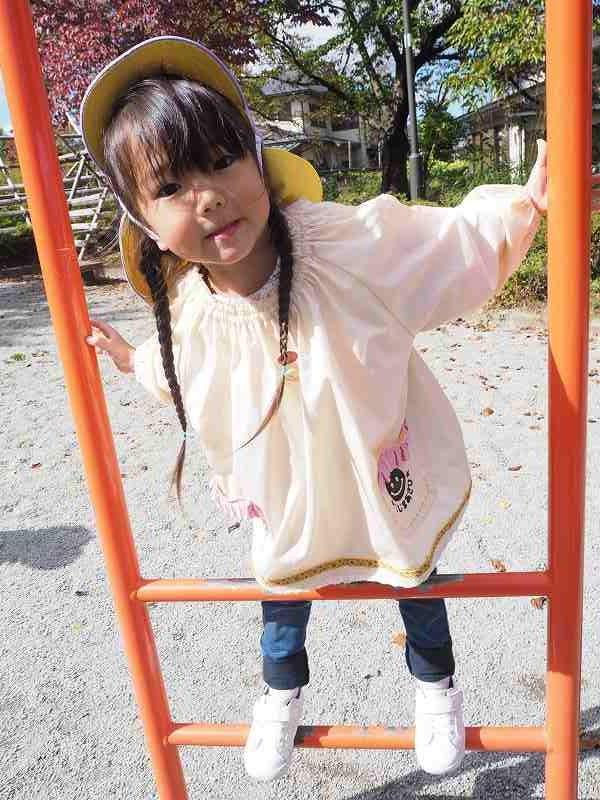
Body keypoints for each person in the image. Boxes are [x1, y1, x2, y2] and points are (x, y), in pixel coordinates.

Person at [81, 35, 549, 783]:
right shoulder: (191, 306)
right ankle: (280, 693)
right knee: (280, 584)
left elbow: (438, 244)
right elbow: (187, 377)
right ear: (140, 218)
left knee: (412, 569)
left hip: (372, 458)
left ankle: (435, 688)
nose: (207, 196)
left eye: (222, 160)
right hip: (288, 485)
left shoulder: (341, 244)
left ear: (258, 160)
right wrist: (134, 360)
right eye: (169, 187)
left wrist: (525, 205)